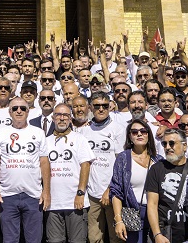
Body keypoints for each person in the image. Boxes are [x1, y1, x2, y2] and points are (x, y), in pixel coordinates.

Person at [0, 97, 50, 243]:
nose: (19, 111)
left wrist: (46, 190)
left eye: (23, 108)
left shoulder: (38, 132)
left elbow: (44, 162)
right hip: (8, 195)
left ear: (28, 112)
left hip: (33, 195)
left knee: (34, 239)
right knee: (10, 240)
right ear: (9, 112)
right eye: (15, 108)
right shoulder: (1, 133)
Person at [45, 103, 95, 243]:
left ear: (70, 118)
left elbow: (85, 165)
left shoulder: (79, 139)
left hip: (75, 201)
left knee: (77, 241)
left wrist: (80, 193)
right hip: (52, 203)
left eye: (66, 115)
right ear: (53, 118)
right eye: (58, 115)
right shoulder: (45, 141)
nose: (62, 118)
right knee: (54, 240)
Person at [80, 91, 126, 243]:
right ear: (90, 107)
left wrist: (110, 189)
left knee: (116, 237)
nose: (101, 109)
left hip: (113, 192)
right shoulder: (84, 130)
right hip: (92, 194)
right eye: (97, 106)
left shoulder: (118, 128)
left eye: (104, 106)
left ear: (110, 107)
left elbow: (121, 162)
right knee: (94, 238)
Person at [110, 120, 161, 242]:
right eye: (134, 132)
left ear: (149, 135)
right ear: (129, 136)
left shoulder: (158, 160)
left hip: (157, 215)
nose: (139, 134)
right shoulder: (123, 158)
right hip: (134, 214)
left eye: (143, 131)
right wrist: (118, 220)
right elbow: (116, 191)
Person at [145, 129, 188, 243]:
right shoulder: (157, 169)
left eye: (172, 143)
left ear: (184, 146)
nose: (168, 147)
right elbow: (152, 204)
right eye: (164, 143)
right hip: (166, 235)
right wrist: (157, 234)